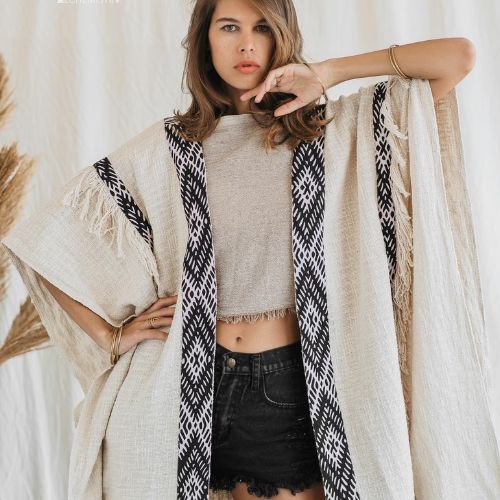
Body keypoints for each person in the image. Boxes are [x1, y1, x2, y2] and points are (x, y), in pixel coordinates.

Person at [4, 0, 498, 499]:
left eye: (262, 27)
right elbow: (46, 240)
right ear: (205, 41)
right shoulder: (164, 149)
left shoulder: (334, 129)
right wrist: (109, 337)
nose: (246, 44)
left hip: (291, 390)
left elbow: (456, 57)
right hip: (184, 390)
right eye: (229, 27)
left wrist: (326, 73)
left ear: (282, 36)